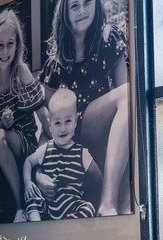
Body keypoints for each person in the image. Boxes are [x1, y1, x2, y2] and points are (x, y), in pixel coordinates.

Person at [38, 0, 130, 216]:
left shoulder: (109, 40)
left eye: (87, 3)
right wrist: (39, 172)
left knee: (128, 95)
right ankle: (108, 203)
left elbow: (127, 103)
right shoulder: (54, 64)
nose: (82, 11)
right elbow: (48, 128)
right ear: (65, 13)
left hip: (106, 133)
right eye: (74, 6)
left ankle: (114, 205)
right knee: (127, 94)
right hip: (73, 138)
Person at [0, 9, 45, 223]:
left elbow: (41, 112)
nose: (5, 51)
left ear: (17, 45)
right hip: (1, 149)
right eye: (0, 45)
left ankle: (20, 208)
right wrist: (2, 122)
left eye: (10, 44)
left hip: (24, 144)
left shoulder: (21, 72)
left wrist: (53, 147)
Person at [23, 88, 100, 221]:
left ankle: (68, 227)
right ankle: (37, 225)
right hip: (48, 206)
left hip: (72, 207)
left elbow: (98, 177)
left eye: (68, 121)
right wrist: (27, 182)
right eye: (57, 123)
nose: (63, 128)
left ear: (75, 121)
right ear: (50, 125)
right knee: (32, 196)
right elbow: (28, 162)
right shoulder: (46, 149)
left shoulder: (81, 153)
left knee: (88, 208)